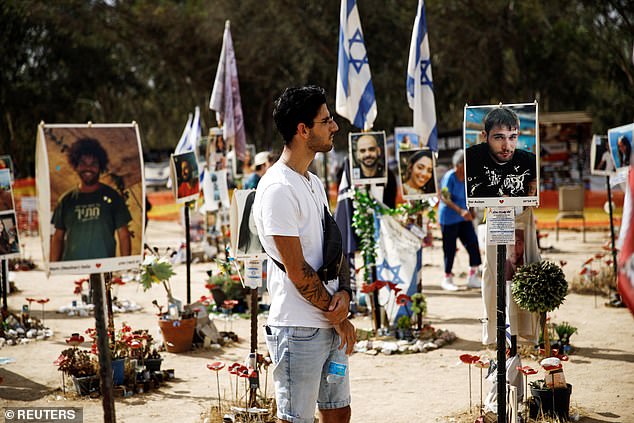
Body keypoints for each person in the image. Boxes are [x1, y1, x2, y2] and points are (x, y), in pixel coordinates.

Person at [253, 85, 355, 423]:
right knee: (296, 418)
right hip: (297, 327)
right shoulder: (279, 188)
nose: (334, 127)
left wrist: (344, 292)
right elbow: (296, 269)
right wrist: (337, 314)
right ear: (303, 129)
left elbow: (330, 248)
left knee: (339, 412)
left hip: (328, 318)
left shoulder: (310, 181)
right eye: (326, 121)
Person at [50, 137, 131, 261]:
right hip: (72, 270)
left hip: (104, 268)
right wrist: (53, 267)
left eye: (93, 164)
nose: (88, 168)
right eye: (83, 163)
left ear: (100, 167)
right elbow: (58, 237)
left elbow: (124, 235)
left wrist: (126, 265)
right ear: (76, 166)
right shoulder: (66, 200)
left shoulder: (113, 197)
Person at [465, 107, 537, 198]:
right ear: (485, 136)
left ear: (518, 135)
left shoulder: (530, 161)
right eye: (499, 137)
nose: (506, 147)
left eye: (512, 137)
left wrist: (535, 185)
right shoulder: (469, 159)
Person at [438, 149, 482, 290]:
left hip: (465, 218)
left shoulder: (469, 178)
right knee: (450, 248)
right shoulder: (449, 177)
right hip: (449, 218)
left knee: (473, 244)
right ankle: (447, 278)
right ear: (458, 165)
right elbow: (445, 198)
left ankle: (473, 276)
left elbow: (471, 196)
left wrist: (472, 211)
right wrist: (460, 211)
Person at [237, 191, 263, 255]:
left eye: (260, 213)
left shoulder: (270, 252)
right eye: (252, 212)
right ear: (247, 214)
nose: (256, 220)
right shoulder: (238, 251)